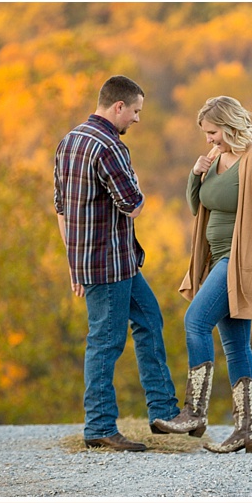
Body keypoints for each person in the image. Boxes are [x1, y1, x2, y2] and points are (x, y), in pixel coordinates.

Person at [154, 96, 252, 454]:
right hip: (217, 261)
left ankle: (195, 412)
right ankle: (248, 429)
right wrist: (195, 174)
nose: (209, 139)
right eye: (206, 134)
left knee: (195, 322)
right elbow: (197, 206)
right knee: (236, 345)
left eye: (212, 132)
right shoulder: (216, 159)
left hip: (240, 262)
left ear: (229, 126)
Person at [54, 75, 181, 452]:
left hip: (109, 262)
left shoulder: (70, 140)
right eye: (136, 111)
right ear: (118, 107)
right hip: (109, 265)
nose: (138, 120)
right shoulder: (110, 147)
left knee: (149, 319)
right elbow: (134, 205)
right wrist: (139, 185)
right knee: (105, 343)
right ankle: (98, 426)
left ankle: (162, 412)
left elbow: (61, 208)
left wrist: (73, 263)